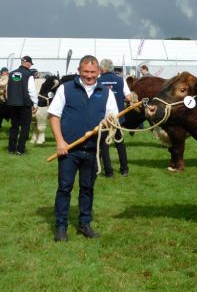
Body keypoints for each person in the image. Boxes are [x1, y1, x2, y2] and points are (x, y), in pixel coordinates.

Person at [48, 55, 118, 242]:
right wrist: (60, 142)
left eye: (93, 72)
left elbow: (114, 117)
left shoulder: (105, 92)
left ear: (99, 72)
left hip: (93, 150)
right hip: (68, 150)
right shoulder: (66, 88)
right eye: (85, 72)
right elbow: (54, 116)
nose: (89, 76)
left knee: (87, 188)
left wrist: (110, 122)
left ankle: (84, 224)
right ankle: (61, 226)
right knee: (64, 188)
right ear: (79, 71)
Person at [98, 58, 132, 177]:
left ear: (102, 68)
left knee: (104, 145)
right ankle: (124, 169)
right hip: (118, 117)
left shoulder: (98, 80)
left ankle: (109, 172)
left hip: (103, 119)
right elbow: (128, 97)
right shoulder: (120, 79)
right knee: (120, 143)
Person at [6, 56, 38, 155]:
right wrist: (35, 103)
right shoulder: (29, 74)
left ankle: (11, 149)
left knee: (14, 126)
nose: (30, 65)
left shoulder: (11, 74)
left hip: (13, 104)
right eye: (30, 64)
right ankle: (20, 150)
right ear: (28, 63)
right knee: (25, 127)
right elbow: (31, 90)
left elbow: (8, 89)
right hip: (25, 104)